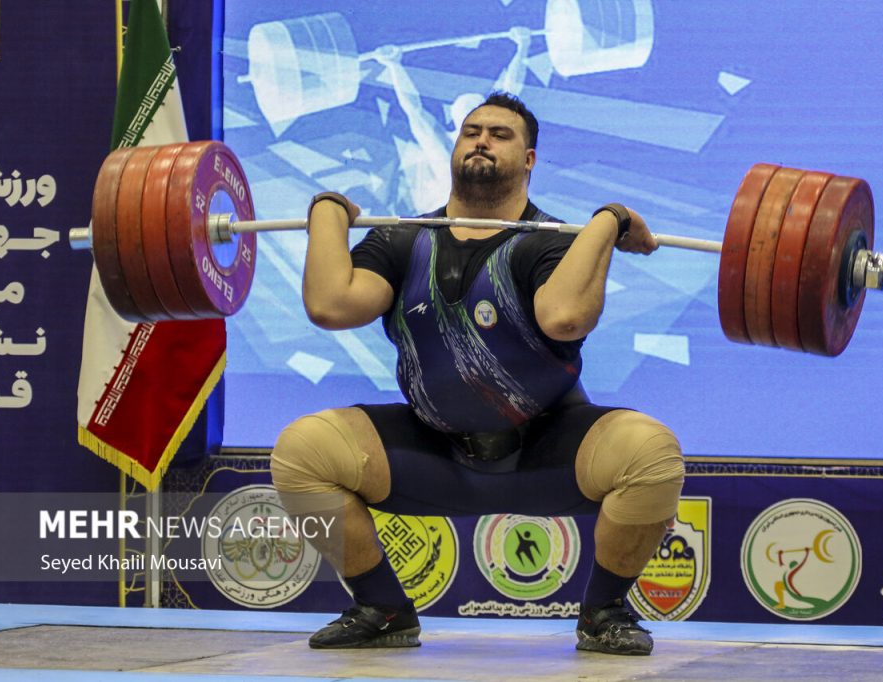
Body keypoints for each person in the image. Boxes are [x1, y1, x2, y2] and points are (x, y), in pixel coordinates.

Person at [271, 92, 685, 656]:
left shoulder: (548, 242)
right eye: (471, 131)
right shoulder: (401, 238)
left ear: (530, 159)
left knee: (651, 453)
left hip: (548, 453)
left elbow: (564, 317)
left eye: (500, 133)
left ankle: (603, 614)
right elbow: (330, 306)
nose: (482, 140)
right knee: (302, 452)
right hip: (434, 456)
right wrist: (326, 210)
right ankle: (383, 609)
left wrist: (606, 221)